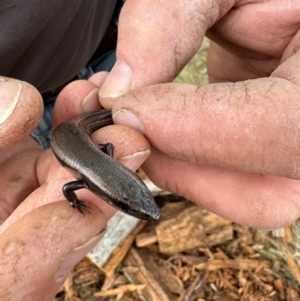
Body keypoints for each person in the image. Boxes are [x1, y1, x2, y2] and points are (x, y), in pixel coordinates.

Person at [1, 0, 300, 299]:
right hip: (43, 122)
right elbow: (77, 180)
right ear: (104, 189)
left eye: (133, 202)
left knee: (111, 105)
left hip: (100, 52)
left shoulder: (89, 175)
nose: (140, 209)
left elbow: (94, 161)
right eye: (130, 206)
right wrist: (82, 192)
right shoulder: (86, 178)